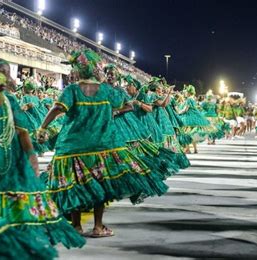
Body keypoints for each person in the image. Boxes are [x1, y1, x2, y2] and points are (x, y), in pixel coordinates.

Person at [0, 59, 85, 253]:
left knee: (12, 214)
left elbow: (22, 132)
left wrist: (31, 156)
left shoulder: (10, 101)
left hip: (8, 163)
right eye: (1, 72)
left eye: (7, 72)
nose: (6, 76)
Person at [38, 50, 168, 237]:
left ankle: (76, 226)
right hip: (103, 145)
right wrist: (112, 112)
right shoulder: (107, 91)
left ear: (79, 71)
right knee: (101, 184)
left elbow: (57, 109)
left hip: (73, 146)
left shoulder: (72, 90)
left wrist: (42, 128)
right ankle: (98, 227)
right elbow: (129, 105)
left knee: (75, 185)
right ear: (95, 69)